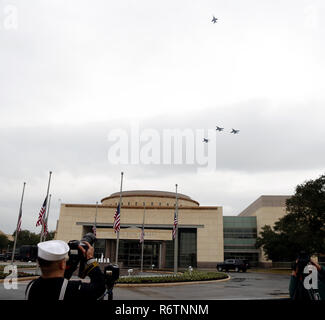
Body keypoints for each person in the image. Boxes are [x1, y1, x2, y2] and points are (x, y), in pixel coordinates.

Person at [25, 239, 106, 300]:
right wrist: (90, 258)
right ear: (62, 264)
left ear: (39, 263)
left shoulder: (31, 286)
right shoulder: (72, 289)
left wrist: (72, 263)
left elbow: (60, 280)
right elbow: (100, 288)